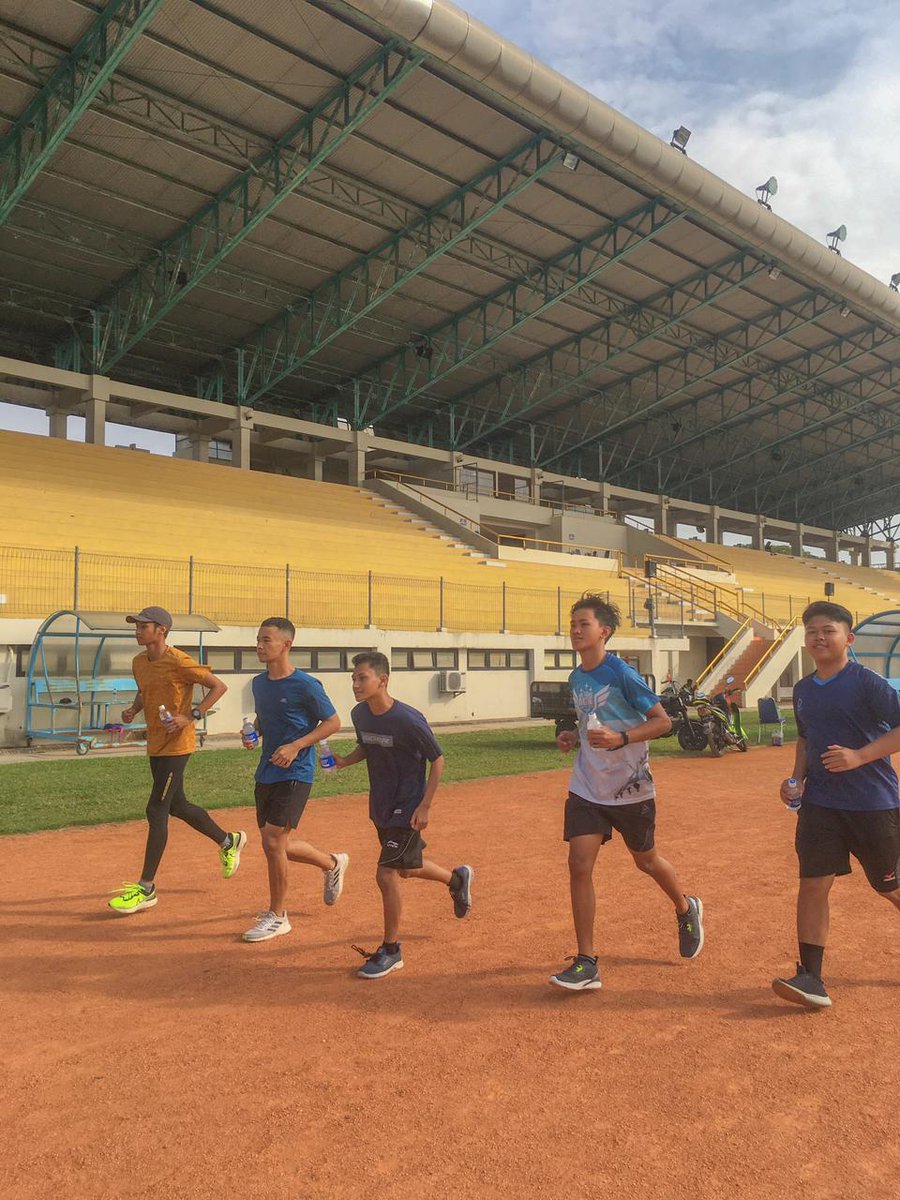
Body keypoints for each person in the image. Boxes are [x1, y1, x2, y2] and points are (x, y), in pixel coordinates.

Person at [551, 595, 704, 990]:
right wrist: (575, 735)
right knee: (579, 865)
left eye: (583, 623)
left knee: (647, 861)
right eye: (572, 623)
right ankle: (586, 961)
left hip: (631, 786)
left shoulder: (622, 673)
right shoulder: (576, 678)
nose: (575, 629)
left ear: (604, 631)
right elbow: (593, 722)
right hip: (587, 784)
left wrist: (621, 738)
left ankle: (686, 907)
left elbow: (663, 722)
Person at [772, 601, 900, 1009]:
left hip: (872, 803)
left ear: (848, 637)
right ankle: (811, 977)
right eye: (812, 632)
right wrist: (796, 780)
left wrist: (860, 756)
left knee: (889, 886)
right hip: (821, 805)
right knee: (813, 884)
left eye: (828, 630)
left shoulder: (866, 682)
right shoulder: (804, 689)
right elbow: (806, 739)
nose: (819, 638)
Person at [332, 652, 472, 979]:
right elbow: (366, 746)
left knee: (386, 875)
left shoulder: (408, 719)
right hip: (380, 805)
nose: (355, 683)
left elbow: (437, 760)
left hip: (407, 807)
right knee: (407, 870)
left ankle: (392, 950)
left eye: (361, 678)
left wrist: (425, 805)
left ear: (382, 680)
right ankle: (456, 879)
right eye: (353, 678)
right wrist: (344, 761)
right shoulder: (360, 714)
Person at [109, 606, 244, 915]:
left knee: (156, 808)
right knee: (177, 805)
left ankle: (146, 887)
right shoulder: (139, 662)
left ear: (162, 630)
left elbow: (218, 686)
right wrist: (133, 710)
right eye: (137, 626)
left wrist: (191, 715)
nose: (138, 630)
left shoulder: (179, 661)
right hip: (156, 743)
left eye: (143, 626)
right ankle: (228, 841)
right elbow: (145, 692)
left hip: (178, 745)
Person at [241, 617, 349, 943]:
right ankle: (332, 863)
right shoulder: (259, 684)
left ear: (286, 644)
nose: (260, 646)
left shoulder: (306, 685)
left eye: (267, 640)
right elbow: (265, 719)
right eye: (258, 640)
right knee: (278, 844)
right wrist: (253, 733)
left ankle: (278, 916)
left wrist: (297, 745)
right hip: (267, 770)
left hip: (297, 770)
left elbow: (332, 722)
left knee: (274, 841)